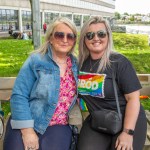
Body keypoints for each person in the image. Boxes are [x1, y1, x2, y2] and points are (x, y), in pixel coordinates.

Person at [3, 17, 78, 150]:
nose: (65, 40)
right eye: (59, 35)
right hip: (28, 119)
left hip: (58, 125)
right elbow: (19, 95)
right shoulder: (36, 61)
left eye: (70, 36)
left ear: (74, 41)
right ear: (50, 38)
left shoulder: (76, 65)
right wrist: (27, 131)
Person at [77, 16, 147, 150]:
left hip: (128, 119)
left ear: (108, 36)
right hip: (98, 119)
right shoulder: (80, 65)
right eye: (90, 35)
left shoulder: (119, 62)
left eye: (101, 34)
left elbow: (133, 99)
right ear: (84, 40)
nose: (96, 38)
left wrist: (127, 132)